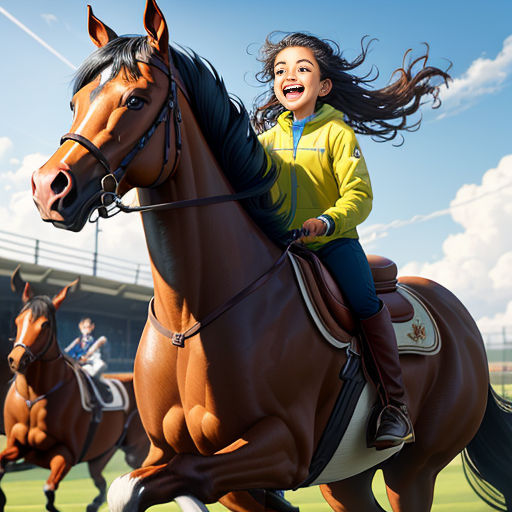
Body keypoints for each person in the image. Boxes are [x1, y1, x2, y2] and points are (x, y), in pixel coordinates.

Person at [253, 32, 451, 449]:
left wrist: (326, 222)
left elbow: (359, 196)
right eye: (280, 70)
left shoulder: (338, 134)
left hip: (333, 244)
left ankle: (395, 407)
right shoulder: (264, 143)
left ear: (323, 86)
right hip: (279, 249)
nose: (289, 76)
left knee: (364, 303)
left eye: (302, 69)